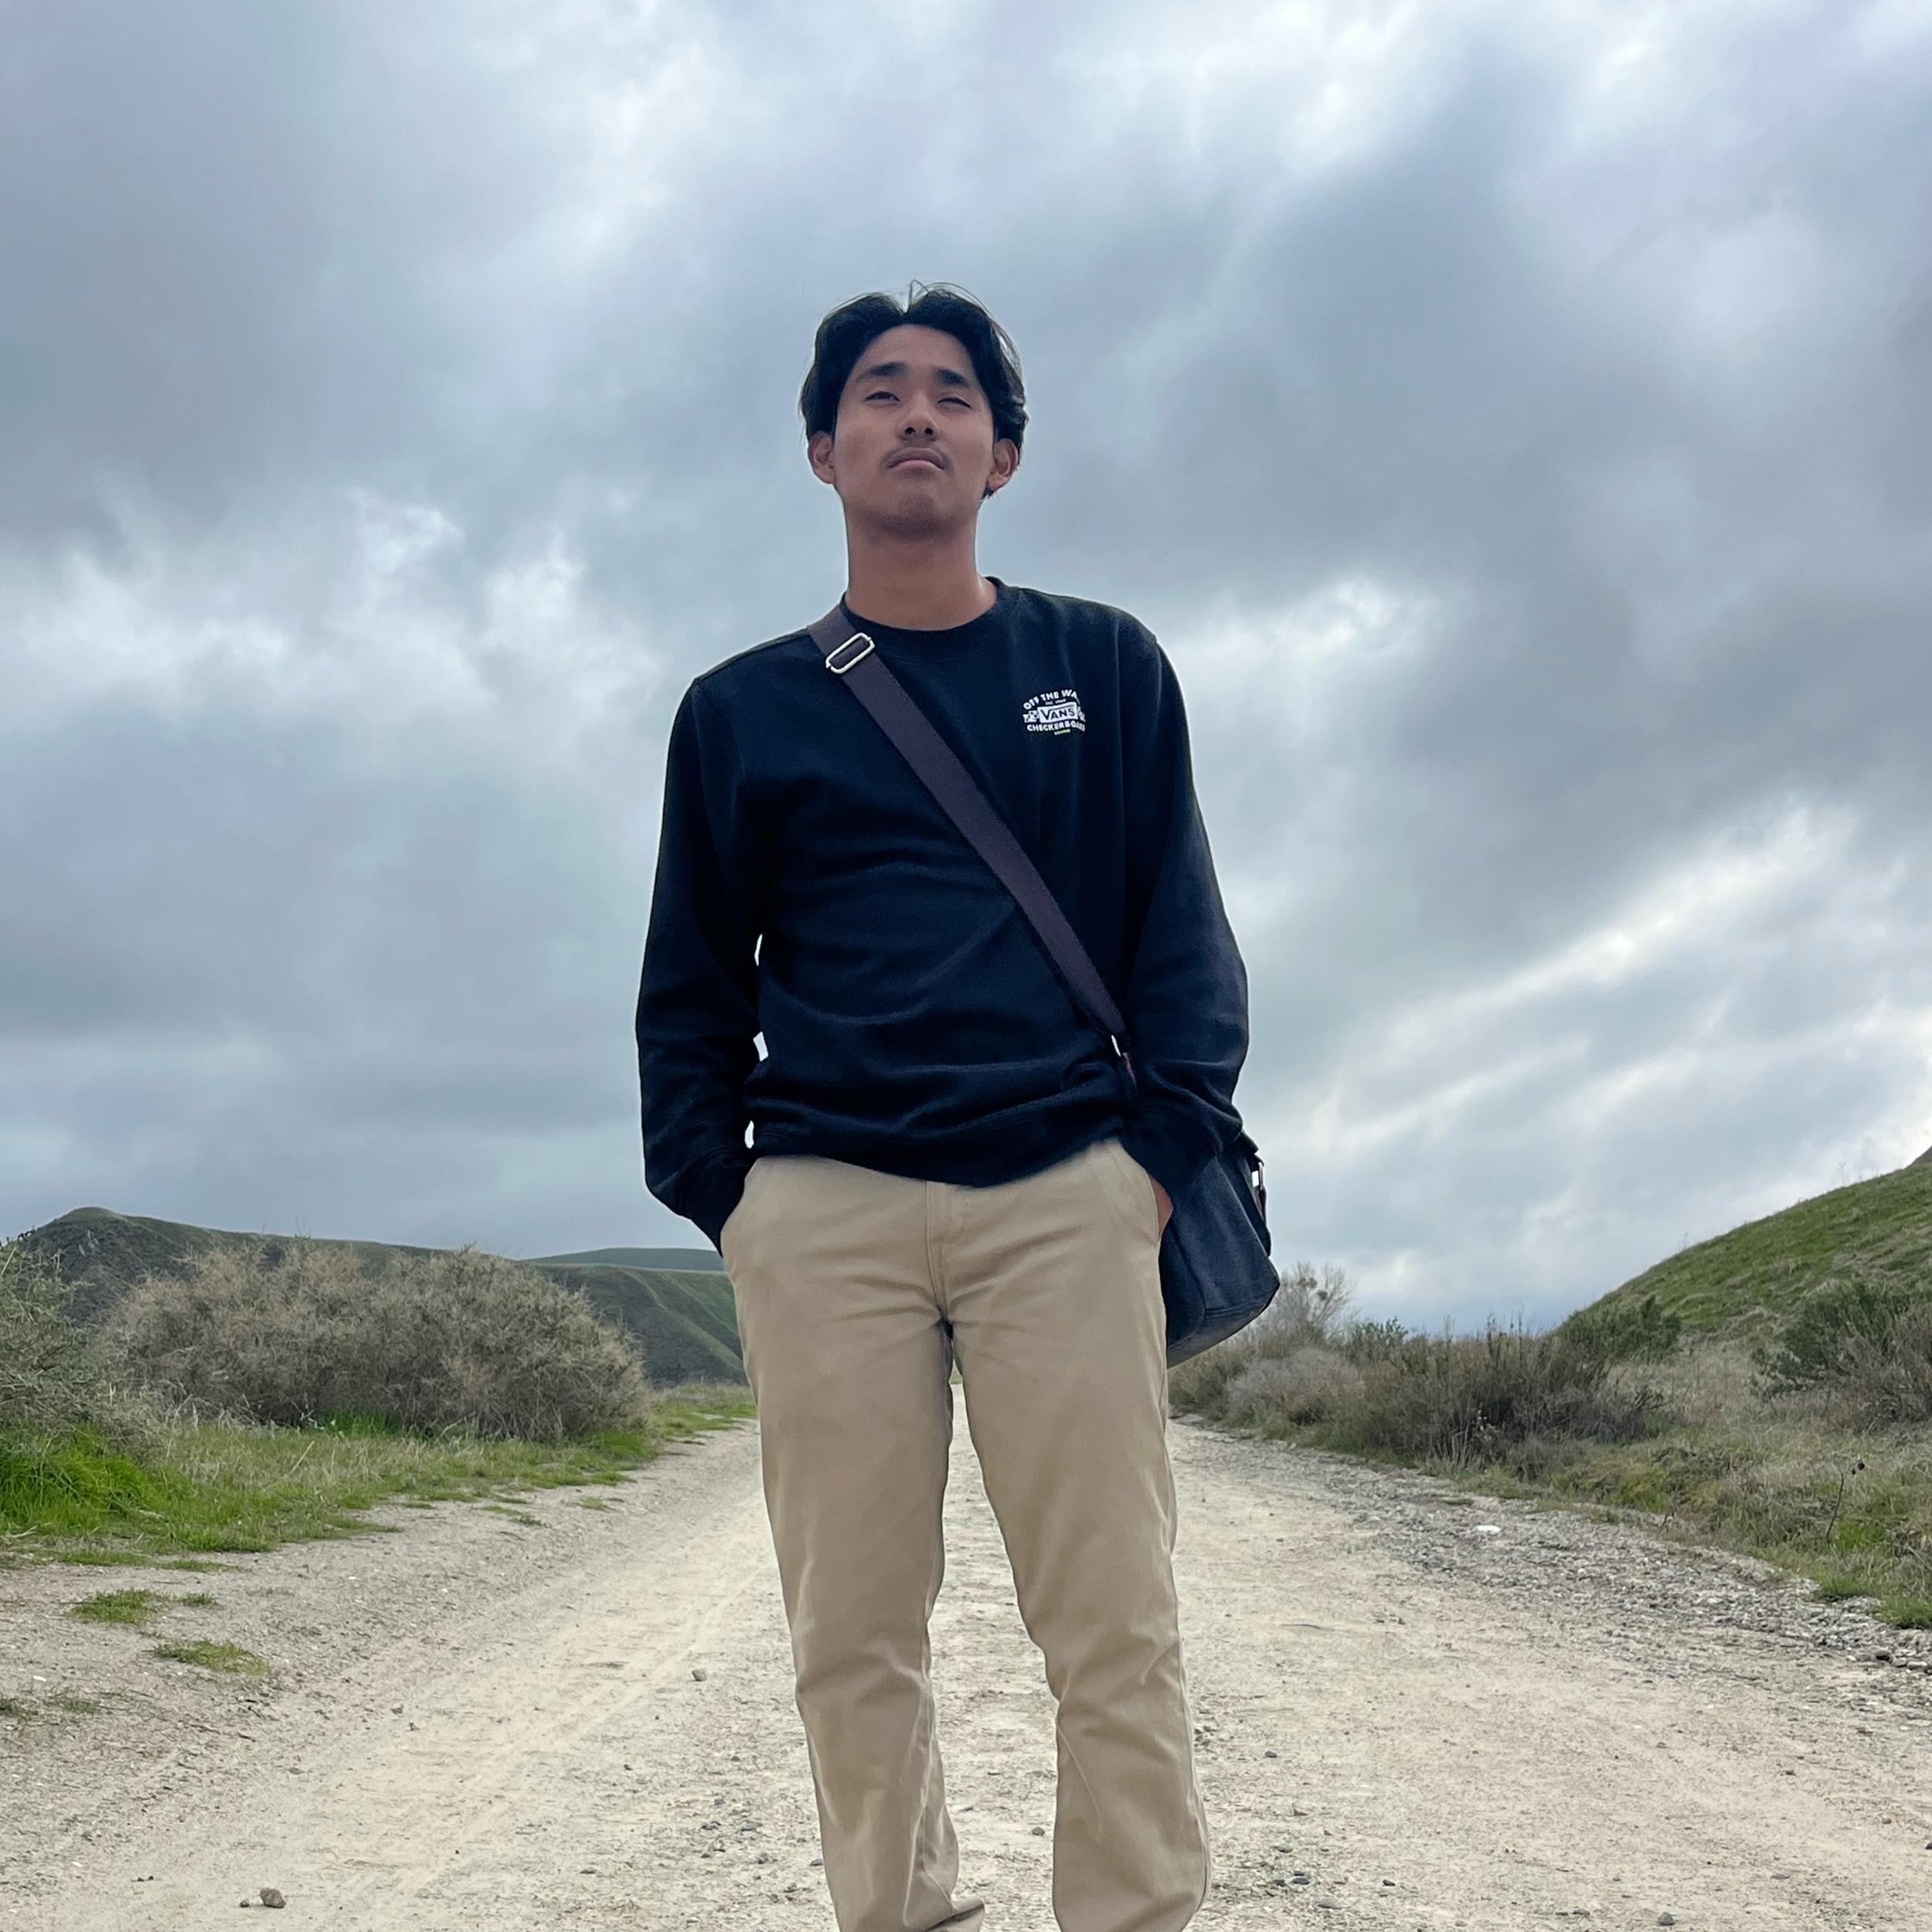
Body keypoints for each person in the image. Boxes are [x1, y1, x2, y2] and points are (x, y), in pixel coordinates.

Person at [634, 281, 1250, 1932]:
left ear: (1003, 455)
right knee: (850, 1632)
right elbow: (688, 978)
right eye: (883, 391)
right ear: (821, 448)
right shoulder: (739, 710)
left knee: (1113, 1624)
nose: (919, 413)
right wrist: (729, 1196)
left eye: (955, 394)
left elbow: (1182, 934)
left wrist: (1156, 1157)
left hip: (1066, 1188)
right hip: (822, 1202)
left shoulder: (1102, 666)